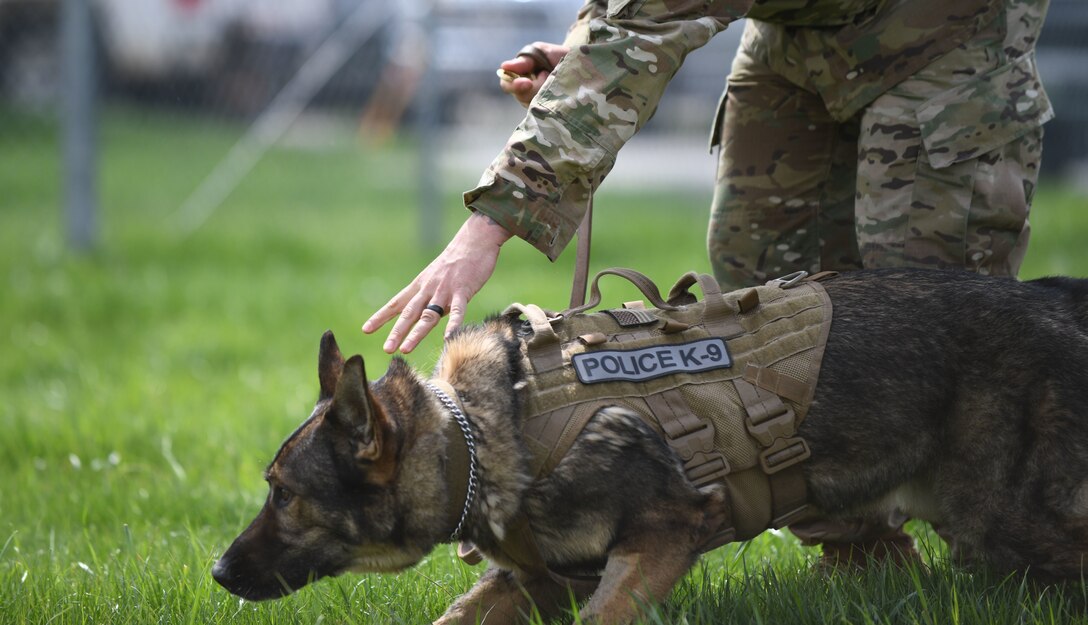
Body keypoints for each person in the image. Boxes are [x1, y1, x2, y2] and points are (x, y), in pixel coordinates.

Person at [363, 0, 1052, 563]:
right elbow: (632, 18)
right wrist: (582, 49)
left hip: (947, 29)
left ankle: (1018, 547)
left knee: (933, 316)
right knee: (764, 289)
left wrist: (484, 231)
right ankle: (860, 552)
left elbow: (640, 31)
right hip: (801, 36)